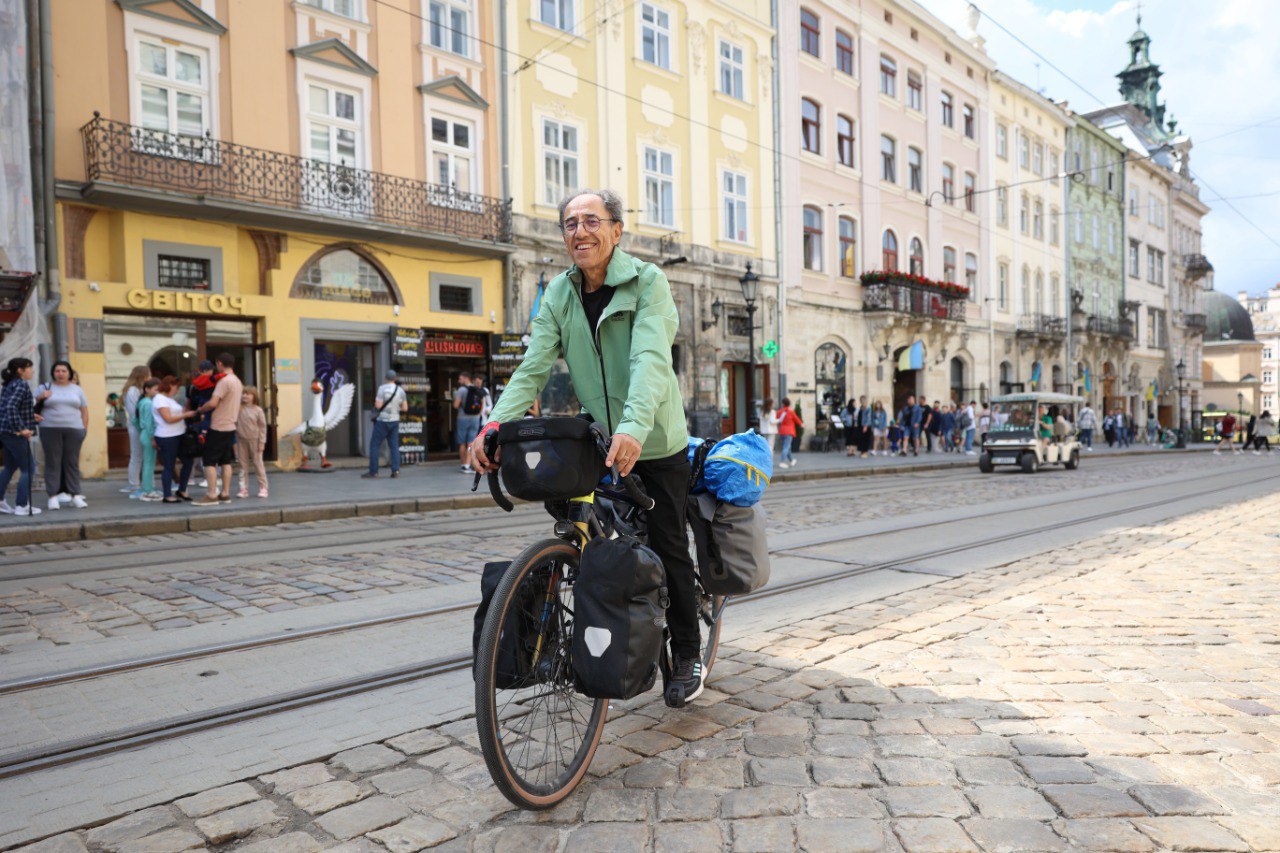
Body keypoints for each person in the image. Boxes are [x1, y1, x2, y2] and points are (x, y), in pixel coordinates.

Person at [469, 188, 705, 705]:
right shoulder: (559, 293)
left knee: (667, 544)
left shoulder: (649, 283)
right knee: (579, 521)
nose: (580, 231)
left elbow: (649, 360)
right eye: (571, 223)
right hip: (601, 433)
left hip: (655, 439)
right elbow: (533, 366)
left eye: (592, 220)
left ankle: (688, 651)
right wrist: (494, 427)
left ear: (617, 230)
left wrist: (635, 428)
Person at [38, 360, 90, 510]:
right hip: (50, 428)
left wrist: (84, 429)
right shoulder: (44, 387)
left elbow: (84, 410)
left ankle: (75, 495)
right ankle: (53, 496)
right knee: (53, 462)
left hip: (74, 429)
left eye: (63, 371)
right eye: (57, 371)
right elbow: (31, 405)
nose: (60, 374)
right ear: (53, 373)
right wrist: (41, 396)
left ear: (69, 373)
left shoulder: (77, 389)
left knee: (72, 462)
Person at [192, 353, 243, 507]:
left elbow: (213, 403)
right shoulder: (237, 381)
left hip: (218, 426)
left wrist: (201, 409)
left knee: (209, 461)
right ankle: (225, 494)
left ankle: (211, 494)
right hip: (230, 426)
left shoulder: (223, 381)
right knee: (225, 461)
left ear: (219, 363)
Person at [0, 357, 41, 515]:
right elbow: (11, 407)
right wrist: (22, 428)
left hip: (6, 432)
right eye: (29, 368)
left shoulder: (10, 384)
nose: (32, 371)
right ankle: (22, 506)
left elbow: (9, 407)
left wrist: (32, 416)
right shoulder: (21, 384)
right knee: (28, 468)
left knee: (10, 467)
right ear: (20, 370)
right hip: (15, 433)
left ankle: (1, 501)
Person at [152, 377, 196, 503]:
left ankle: (182, 489)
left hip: (178, 434)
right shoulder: (160, 399)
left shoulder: (168, 399)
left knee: (188, 461)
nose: (177, 390)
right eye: (176, 387)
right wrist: (185, 415)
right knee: (169, 466)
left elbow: (178, 412)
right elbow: (168, 419)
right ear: (169, 385)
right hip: (167, 436)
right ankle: (167, 494)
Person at [364, 369, 407, 480]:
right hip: (395, 421)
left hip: (382, 421)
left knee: (374, 445)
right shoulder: (401, 390)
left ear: (385, 378)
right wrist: (395, 408)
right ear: (395, 378)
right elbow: (405, 408)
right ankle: (395, 471)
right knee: (394, 446)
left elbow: (378, 406)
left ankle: (374, 472)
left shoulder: (382, 389)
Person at [121, 365, 150, 497]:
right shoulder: (132, 391)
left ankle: (139, 483)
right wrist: (142, 426)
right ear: (142, 376)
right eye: (148, 375)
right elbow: (134, 413)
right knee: (137, 455)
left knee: (141, 456)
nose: (150, 377)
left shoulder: (138, 390)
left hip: (140, 426)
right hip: (136, 426)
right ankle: (134, 484)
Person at [236, 386, 270, 497]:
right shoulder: (238, 408)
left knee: (258, 464)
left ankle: (263, 487)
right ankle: (243, 489)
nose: (245, 395)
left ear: (254, 396)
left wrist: (262, 443)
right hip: (241, 441)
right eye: (243, 393)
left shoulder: (258, 410)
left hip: (255, 441)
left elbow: (263, 427)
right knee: (242, 465)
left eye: (248, 394)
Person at [135, 378, 161, 501]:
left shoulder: (142, 402)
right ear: (147, 389)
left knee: (148, 463)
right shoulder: (149, 403)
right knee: (149, 464)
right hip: (149, 435)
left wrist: (143, 432)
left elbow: (135, 421)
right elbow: (150, 423)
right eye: (155, 389)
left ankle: (148, 489)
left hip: (145, 434)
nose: (157, 392)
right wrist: (152, 437)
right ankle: (148, 490)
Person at [454, 371, 483, 474]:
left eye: (460, 379)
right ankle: (468, 464)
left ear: (466, 378)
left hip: (463, 418)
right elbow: (482, 403)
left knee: (462, 442)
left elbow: (456, 405)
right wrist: (479, 414)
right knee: (471, 442)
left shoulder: (461, 390)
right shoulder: (477, 389)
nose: (459, 381)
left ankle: (463, 464)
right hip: (475, 418)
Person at [776, 397, 802, 468]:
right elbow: (797, 420)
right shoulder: (791, 412)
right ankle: (782, 462)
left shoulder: (779, 412)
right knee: (786, 447)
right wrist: (802, 425)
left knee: (787, 447)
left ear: (783, 404)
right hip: (789, 431)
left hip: (782, 431)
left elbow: (777, 420)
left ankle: (792, 460)